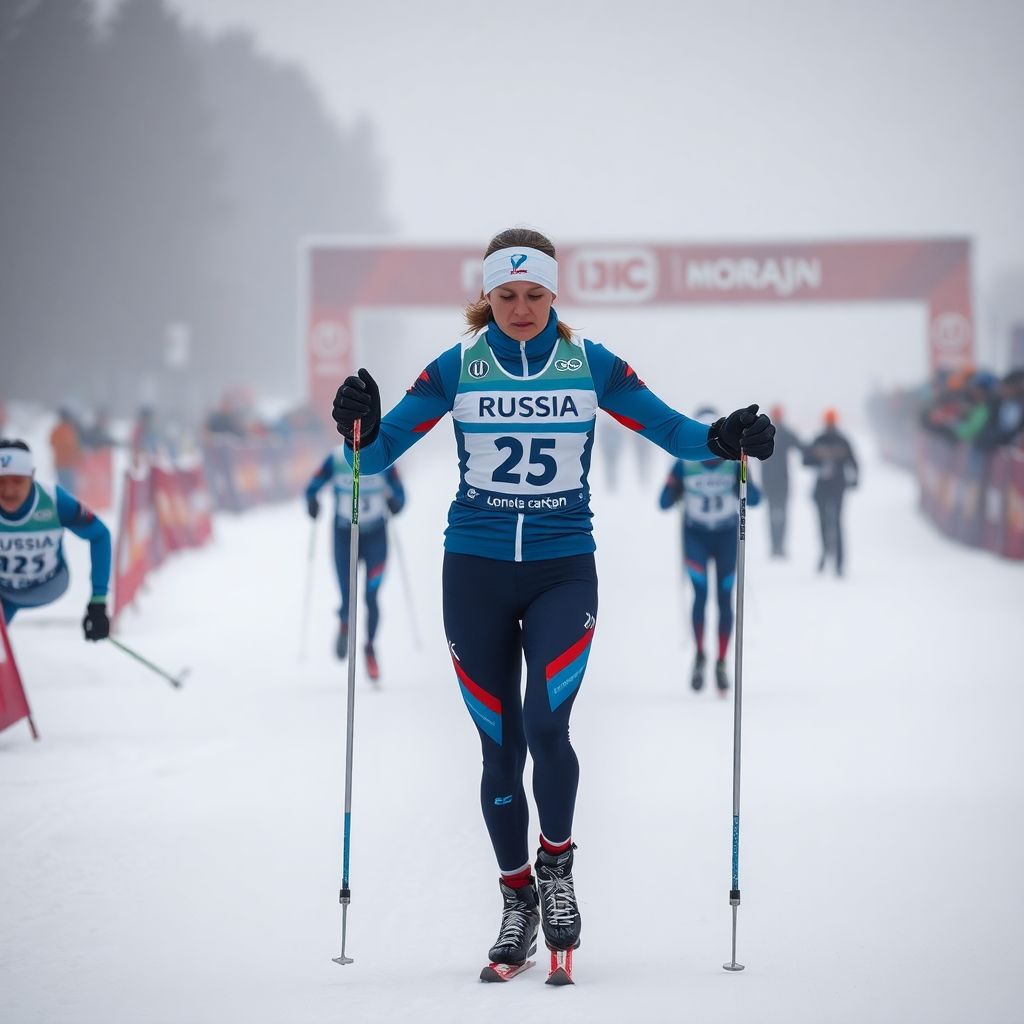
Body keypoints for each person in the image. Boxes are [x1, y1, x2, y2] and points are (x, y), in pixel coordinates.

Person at [328, 227, 776, 973]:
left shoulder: (589, 363)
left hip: (562, 568)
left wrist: (727, 437)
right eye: (507, 294)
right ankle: (515, 902)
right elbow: (372, 456)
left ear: (555, 294)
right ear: (486, 297)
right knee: (498, 749)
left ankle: (557, 871)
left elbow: (673, 432)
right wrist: (359, 423)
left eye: (536, 293)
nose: (522, 307)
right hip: (472, 568)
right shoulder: (457, 367)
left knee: (545, 725)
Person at [658, 406, 762, 693]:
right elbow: (663, 502)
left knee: (725, 597)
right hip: (697, 537)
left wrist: (740, 485)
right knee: (701, 593)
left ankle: (720, 661)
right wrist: (675, 489)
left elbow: (755, 499)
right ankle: (701, 654)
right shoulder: (684, 463)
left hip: (726, 535)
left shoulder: (735, 463)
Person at [304, 447, 406, 680]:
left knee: (371, 595)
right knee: (347, 595)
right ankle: (344, 622)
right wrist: (312, 501)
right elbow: (313, 485)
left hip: (375, 536)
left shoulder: (383, 458)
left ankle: (370, 648)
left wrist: (396, 502)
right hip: (344, 535)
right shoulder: (336, 458)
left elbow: (400, 491)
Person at [0, 439, 111, 638]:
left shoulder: (53, 500)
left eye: (17, 481)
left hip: (46, 586)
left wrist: (98, 601)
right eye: (0, 481)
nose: (8, 491)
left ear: (32, 476)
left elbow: (100, 535)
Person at [803, 409, 859, 576]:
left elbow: (853, 461)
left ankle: (839, 562)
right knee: (824, 523)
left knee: (836, 523)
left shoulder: (841, 440)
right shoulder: (819, 439)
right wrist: (819, 459)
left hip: (836, 487)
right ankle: (825, 555)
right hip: (823, 488)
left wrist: (855, 479)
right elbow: (806, 461)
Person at [759, 404, 804, 557]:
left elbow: (801, 446)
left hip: (772, 480)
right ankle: (777, 546)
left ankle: (776, 546)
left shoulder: (766, 432)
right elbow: (801, 446)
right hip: (780, 481)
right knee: (779, 513)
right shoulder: (782, 432)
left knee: (774, 513)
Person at [49, 408, 83, 493]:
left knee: (63, 486)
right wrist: (79, 454)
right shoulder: (69, 430)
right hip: (68, 465)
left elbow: (51, 442)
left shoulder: (56, 430)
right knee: (70, 489)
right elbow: (72, 447)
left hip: (59, 464)